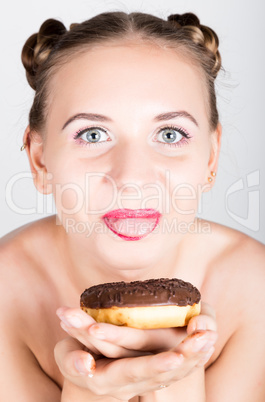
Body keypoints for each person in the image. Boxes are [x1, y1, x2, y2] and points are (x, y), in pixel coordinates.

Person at [1, 10, 265, 402]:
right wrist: (87, 391)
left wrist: (177, 372)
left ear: (210, 157)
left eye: (170, 133)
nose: (132, 178)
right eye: (92, 134)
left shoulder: (254, 289)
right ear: (40, 161)